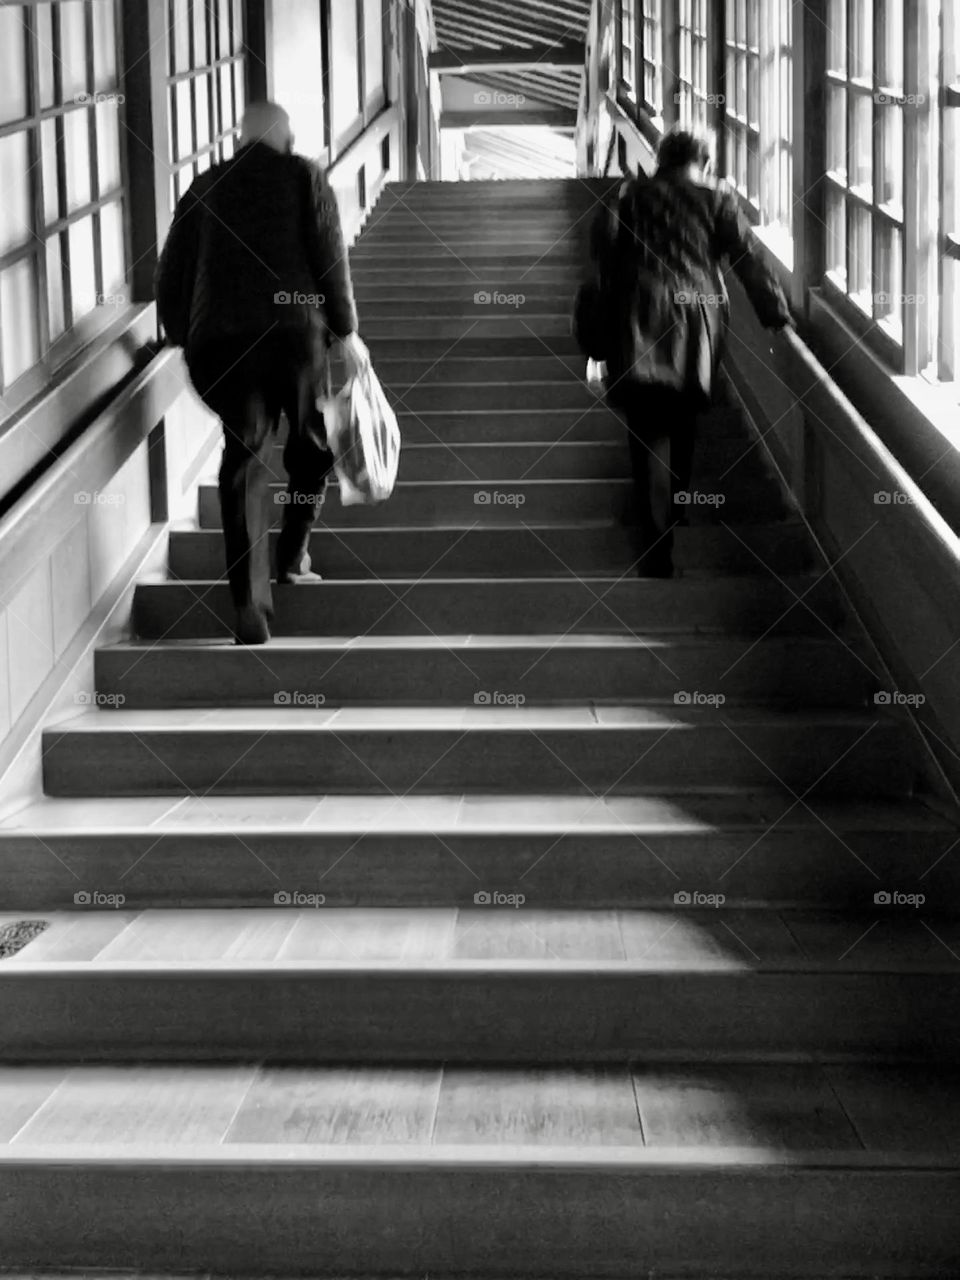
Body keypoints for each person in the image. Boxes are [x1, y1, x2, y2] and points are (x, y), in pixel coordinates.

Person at [155, 101, 369, 644]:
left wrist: (186, 333)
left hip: (223, 344)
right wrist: (346, 329)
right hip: (295, 337)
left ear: (242, 136)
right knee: (311, 450)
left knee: (244, 459)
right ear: (282, 137)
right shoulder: (302, 175)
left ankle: (250, 603)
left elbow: (170, 276)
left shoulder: (203, 187)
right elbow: (328, 254)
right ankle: (292, 557)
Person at [588, 125, 793, 578]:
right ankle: (678, 504)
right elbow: (746, 256)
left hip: (635, 316)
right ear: (703, 162)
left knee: (645, 429)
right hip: (694, 319)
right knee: (681, 417)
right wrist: (774, 312)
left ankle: (657, 540)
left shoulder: (631, 195)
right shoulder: (716, 198)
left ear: (662, 159)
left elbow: (600, 248)